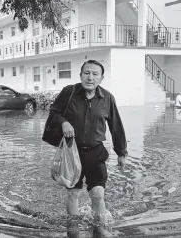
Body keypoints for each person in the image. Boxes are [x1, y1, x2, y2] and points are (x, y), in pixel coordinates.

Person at [49, 60, 128, 224]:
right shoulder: (69, 92)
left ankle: (100, 227)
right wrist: (64, 122)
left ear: (101, 78)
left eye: (95, 74)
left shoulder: (107, 98)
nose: (90, 77)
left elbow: (116, 126)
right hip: (72, 152)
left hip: (95, 152)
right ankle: (73, 228)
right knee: (73, 193)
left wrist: (121, 152)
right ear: (80, 76)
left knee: (98, 194)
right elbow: (54, 113)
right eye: (86, 73)